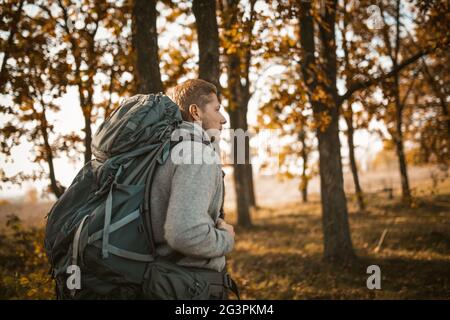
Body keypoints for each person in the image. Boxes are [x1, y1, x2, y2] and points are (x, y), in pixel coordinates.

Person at [150, 79, 238, 299]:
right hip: (190, 287)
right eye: (217, 109)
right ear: (195, 112)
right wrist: (226, 238)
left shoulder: (169, 149)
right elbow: (183, 233)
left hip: (169, 280)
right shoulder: (196, 154)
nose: (223, 118)